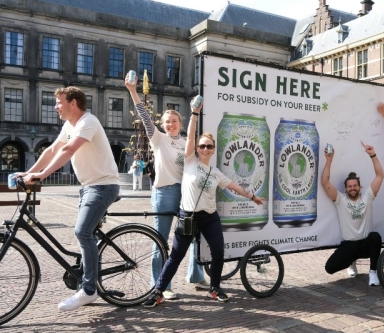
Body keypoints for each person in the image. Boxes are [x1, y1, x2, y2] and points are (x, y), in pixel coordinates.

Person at [142, 98, 264, 307]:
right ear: (197, 148)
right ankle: (158, 291)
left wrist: (252, 197)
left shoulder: (216, 173)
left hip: (209, 217)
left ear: (213, 149)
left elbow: (234, 186)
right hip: (188, 216)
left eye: (209, 146)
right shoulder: (189, 161)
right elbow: (189, 136)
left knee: (218, 252)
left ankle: (214, 288)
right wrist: (194, 113)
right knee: (175, 256)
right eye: (202, 146)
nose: (205, 149)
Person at [20, 86, 120, 311]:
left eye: (59, 102)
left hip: (103, 185)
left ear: (73, 103)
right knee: (88, 234)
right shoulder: (69, 125)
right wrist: (29, 173)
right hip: (88, 187)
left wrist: (41, 176)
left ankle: (89, 290)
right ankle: (90, 278)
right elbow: (52, 150)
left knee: (82, 232)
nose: (56, 106)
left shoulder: (88, 122)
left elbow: (68, 151)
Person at [125, 76, 208, 300]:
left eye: (174, 121)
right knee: (160, 240)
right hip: (164, 192)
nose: (170, 124)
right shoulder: (158, 138)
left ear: (180, 123)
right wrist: (133, 90)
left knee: (192, 236)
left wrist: (195, 111)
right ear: (162, 125)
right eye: (167, 122)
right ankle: (162, 285)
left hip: (185, 194)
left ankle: (196, 274)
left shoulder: (186, 143)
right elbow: (143, 115)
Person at [321, 141, 384, 286]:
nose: (352, 188)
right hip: (349, 244)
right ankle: (351, 262)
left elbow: (380, 175)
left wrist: (372, 155)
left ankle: (373, 272)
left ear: (359, 187)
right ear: (345, 188)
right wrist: (329, 160)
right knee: (329, 268)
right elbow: (325, 182)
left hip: (364, 244)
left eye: (355, 185)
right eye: (349, 186)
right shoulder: (340, 199)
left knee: (375, 237)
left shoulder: (367, 196)